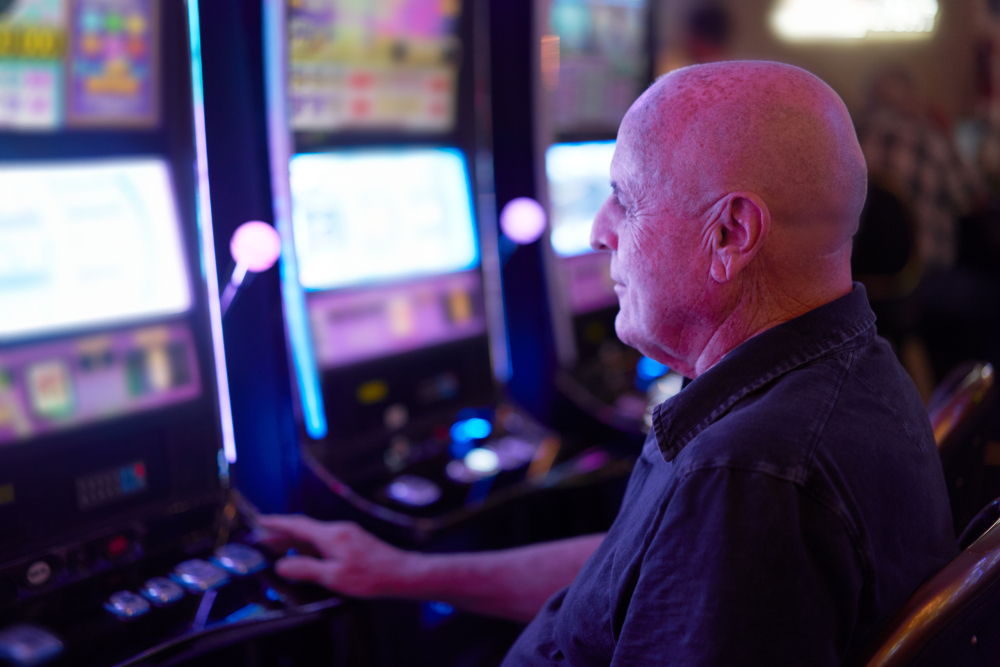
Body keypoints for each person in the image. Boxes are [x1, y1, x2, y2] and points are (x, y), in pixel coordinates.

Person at [260, 61, 958, 665]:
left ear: (730, 232)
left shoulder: (751, 475)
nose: (597, 231)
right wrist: (405, 571)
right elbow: (633, 574)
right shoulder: (847, 371)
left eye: (624, 198)